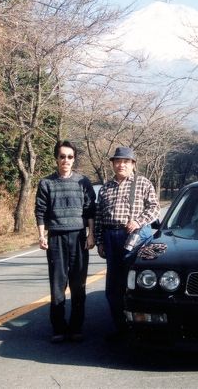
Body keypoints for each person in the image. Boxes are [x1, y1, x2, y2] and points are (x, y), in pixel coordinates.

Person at [95, 146, 160, 341]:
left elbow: (155, 208)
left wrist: (138, 221)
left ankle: (142, 328)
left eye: (125, 161)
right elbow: (98, 216)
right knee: (113, 286)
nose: (121, 164)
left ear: (133, 164)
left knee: (136, 283)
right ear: (113, 164)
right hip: (110, 237)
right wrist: (99, 240)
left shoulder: (143, 183)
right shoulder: (105, 188)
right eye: (117, 161)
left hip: (137, 237)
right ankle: (121, 328)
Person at [35, 140, 96, 343]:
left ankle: (76, 327)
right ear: (56, 159)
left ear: (74, 159)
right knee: (57, 285)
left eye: (70, 157)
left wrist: (91, 234)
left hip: (79, 237)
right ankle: (59, 328)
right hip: (56, 238)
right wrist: (42, 236)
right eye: (62, 156)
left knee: (78, 285)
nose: (66, 160)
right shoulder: (46, 183)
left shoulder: (83, 182)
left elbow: (90, 210)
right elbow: (40, 211)